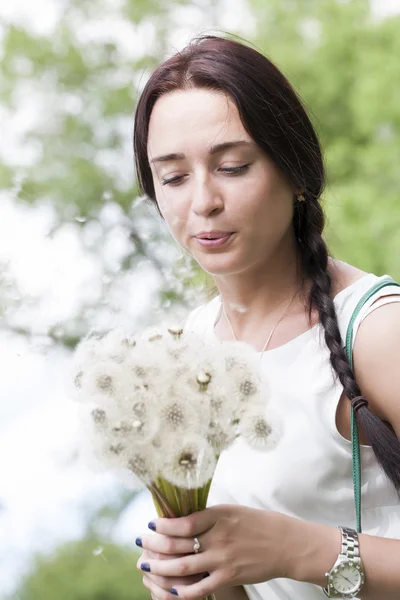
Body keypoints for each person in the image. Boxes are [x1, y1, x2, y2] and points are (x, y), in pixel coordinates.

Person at [132, 34, 400, 600]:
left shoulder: (376, 332)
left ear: (296, 171)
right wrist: (191, 579)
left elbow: (286, 556)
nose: (202, 201)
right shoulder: (185, 358)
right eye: (174, 177)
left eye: (231, 166)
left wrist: (298, 550)